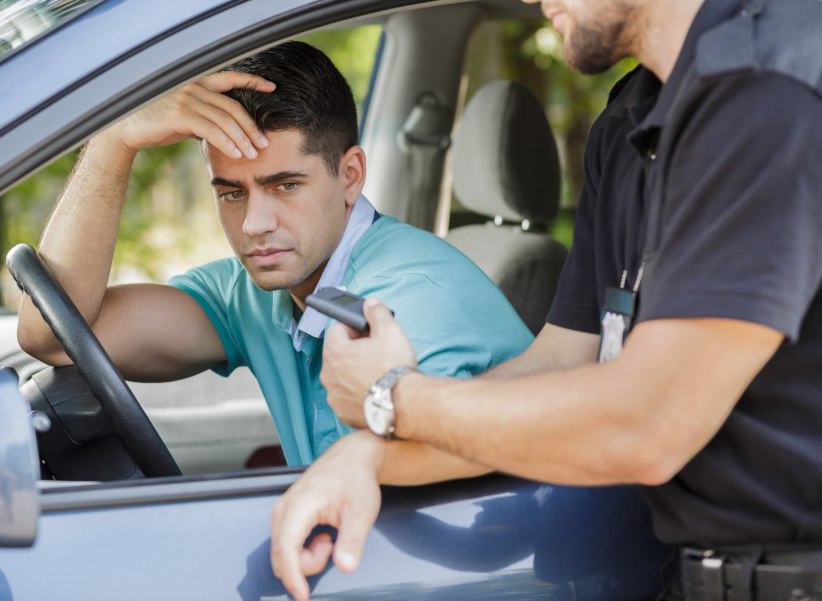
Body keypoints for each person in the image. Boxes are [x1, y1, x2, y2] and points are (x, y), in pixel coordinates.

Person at [269, 1, 822, 599]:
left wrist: (393, 399)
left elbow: (650, 424)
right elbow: (558, 361)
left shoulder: (768, 91)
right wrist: (370, 457)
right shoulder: (630, 118)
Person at [16, 41, 533, 466]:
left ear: (350, 176)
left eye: (285, 185)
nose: (254, 225)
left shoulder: (412, 305)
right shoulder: (258, 290)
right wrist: (114, 140)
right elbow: (54, 337)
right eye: (232, 192)